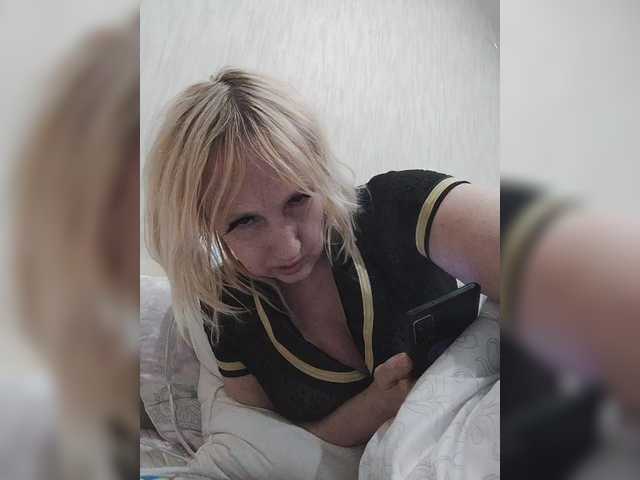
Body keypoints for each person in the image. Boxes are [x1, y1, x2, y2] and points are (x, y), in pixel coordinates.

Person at [145, 67, 499, 447]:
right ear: (205, 223)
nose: (288, 248)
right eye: (245, 221)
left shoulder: (399, 208)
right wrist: (378, 403)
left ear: (319, 172)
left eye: (298, 199)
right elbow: (286, 445)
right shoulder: (224, 311)